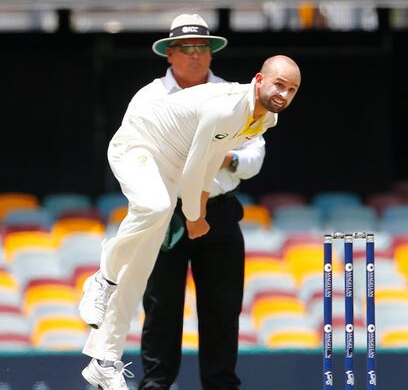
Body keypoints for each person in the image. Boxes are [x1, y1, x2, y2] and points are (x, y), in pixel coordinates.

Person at [78, 54, 302, 389]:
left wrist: (196, 209)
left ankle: (104, 360)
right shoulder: (224, 107)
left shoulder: (265, 118)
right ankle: (104, 278)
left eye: (291, 89)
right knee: (154, 216)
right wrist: (194, 216)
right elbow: (196, 167)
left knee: (147, 273)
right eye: (279, 85)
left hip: (193, 188)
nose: (283, 94)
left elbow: (211, 161)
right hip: (142, 151)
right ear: (259, 79)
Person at [129, 14, 265, 390]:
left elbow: (254, 157)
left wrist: (222, 155)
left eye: (202, 48)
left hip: (218, 211)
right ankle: (155, 386)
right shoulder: (150, 97)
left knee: (222, 311)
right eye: (186, 49)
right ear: (169, 54)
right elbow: (133, 151)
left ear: (211, 53)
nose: (195, 56)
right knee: (160, 310)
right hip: (166, 214)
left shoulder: (234, 94)